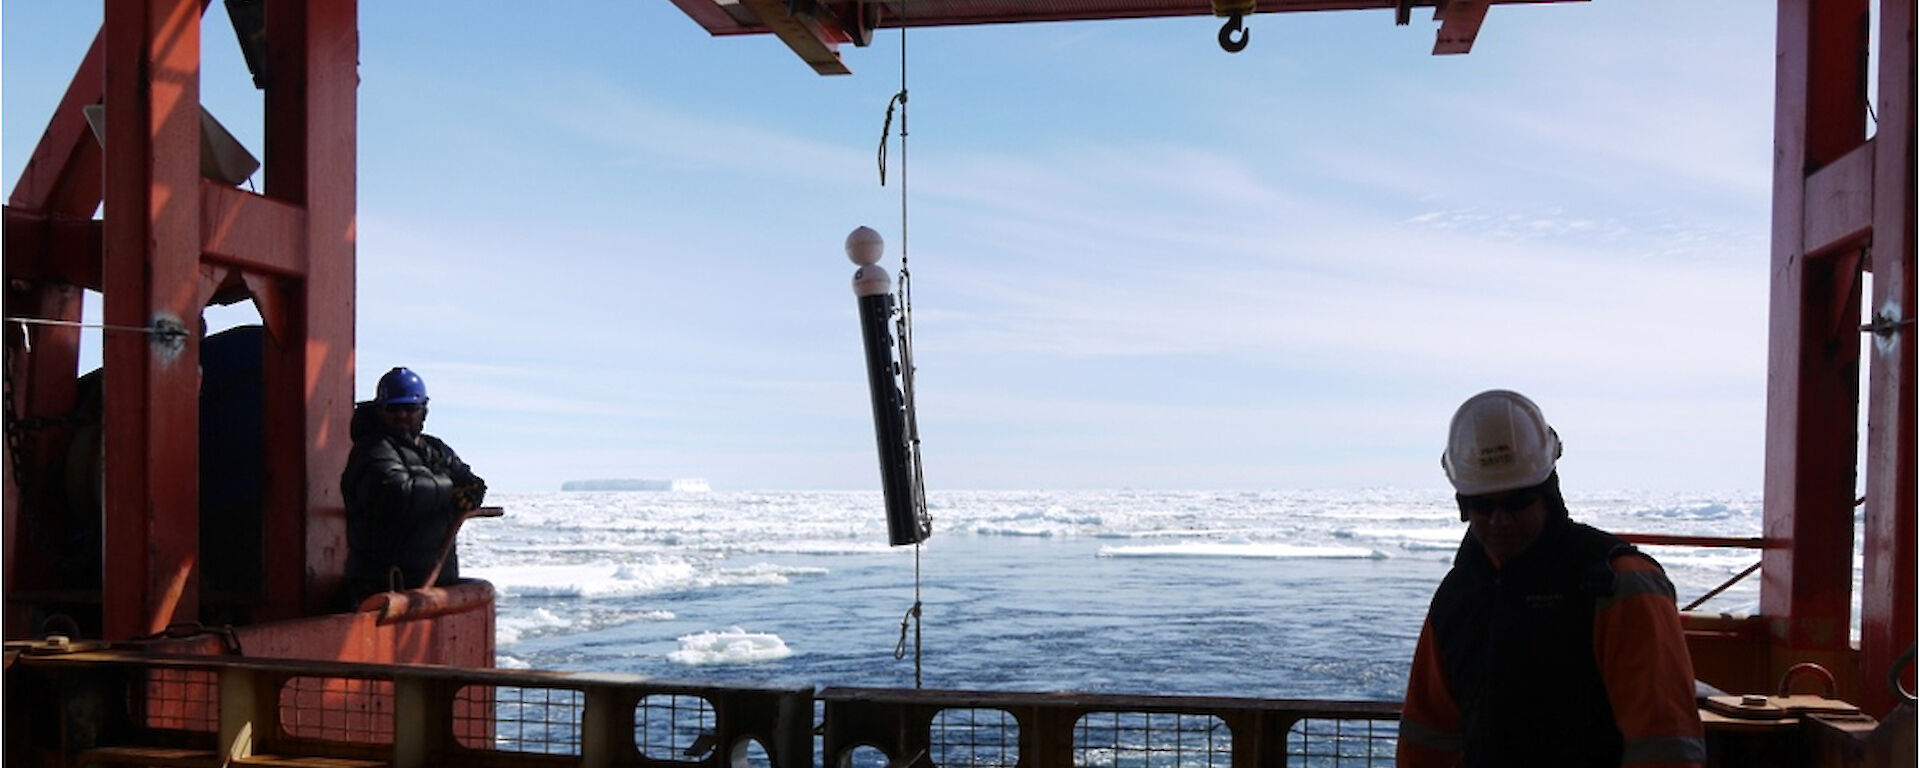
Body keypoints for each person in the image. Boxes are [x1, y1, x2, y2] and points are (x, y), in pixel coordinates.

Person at [1397, 390, 1704, 768]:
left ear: (1548, 492)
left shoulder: (1616, 584)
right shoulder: (1457, 597)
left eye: (1516, 502)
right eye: (1481, 505)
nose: (1500, 520)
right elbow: (1428, 736)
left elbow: (1664, 745)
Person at [339, 366, 486, 605]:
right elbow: (397, 491)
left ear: (424, 411)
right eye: (394, 409)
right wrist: (449, 487)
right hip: (385, 592)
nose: (402, 415)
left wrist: (466, 490)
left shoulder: (435, 449)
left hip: (429, 589)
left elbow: (471, 484)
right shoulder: (372, 450)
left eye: (410, 408)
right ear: (380, 411)